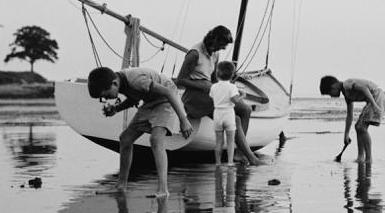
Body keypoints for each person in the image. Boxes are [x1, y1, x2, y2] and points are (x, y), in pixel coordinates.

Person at [87, 65, 193, 198]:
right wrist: (116, 109)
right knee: (125, 139)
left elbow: (168, 92)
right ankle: (121, 186)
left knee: (156, 140)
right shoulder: (122, 82)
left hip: (166, 100)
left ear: (114, 83)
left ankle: (163, 190)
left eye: (106, 95)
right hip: (150, 102)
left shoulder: (137, 80)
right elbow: (134, 98)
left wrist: (183, 120)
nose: (106, 99)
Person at [176, 25, 261, 165]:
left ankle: (240, 153)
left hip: (209, 93)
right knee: (235, 119)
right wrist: (202, 87)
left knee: (245, 110)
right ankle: (252, 158)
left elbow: (215, 80)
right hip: (194, 96)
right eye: (221, 45)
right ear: (213, 39)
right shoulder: (194, 53)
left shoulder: (215, 54)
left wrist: (229, 87)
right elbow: (180, 80)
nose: (222, 49)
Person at [320, 75, 385, 162]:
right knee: (358, 126)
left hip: (376, 97)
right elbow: (349, 115)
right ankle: (360, 157)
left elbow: (364, 88)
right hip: (372, 99)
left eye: (330, 94)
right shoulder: (347, 95)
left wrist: (374, 105)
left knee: (362, 127)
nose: (331, 96)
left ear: (333, 87)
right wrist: (346, 134)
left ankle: (369, 158)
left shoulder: (347, 84)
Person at [209, 60, 246, 166]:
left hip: (217, 114)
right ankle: (230, 162)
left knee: (219, 142)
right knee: (230, 141)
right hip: (228, 114)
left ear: (217, 74)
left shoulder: (213, 87)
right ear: (232, 75)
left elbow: (212, 97)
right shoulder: (232, 87)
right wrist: (243, 95)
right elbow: (235, 101)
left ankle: (218, 162)